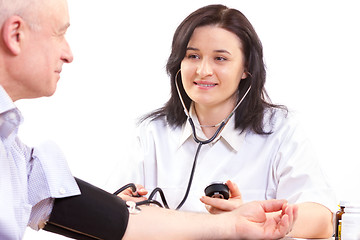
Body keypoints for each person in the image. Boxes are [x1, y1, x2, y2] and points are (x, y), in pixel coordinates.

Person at [0, 0, 298, 239]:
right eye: (59, 34)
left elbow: (100, 217)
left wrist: (233, 225)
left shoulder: (14, 156)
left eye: (220, 58)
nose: (69, 53)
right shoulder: (151, 131)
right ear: (16, 35)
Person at [108, 4, 336, 238]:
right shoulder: (152, 134)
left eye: (220, 58)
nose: (204, 70)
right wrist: (118, 208)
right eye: (193, 56)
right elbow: (110, 211)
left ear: (246, 67)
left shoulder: (281, 130)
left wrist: (253, 219)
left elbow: (322, 219)